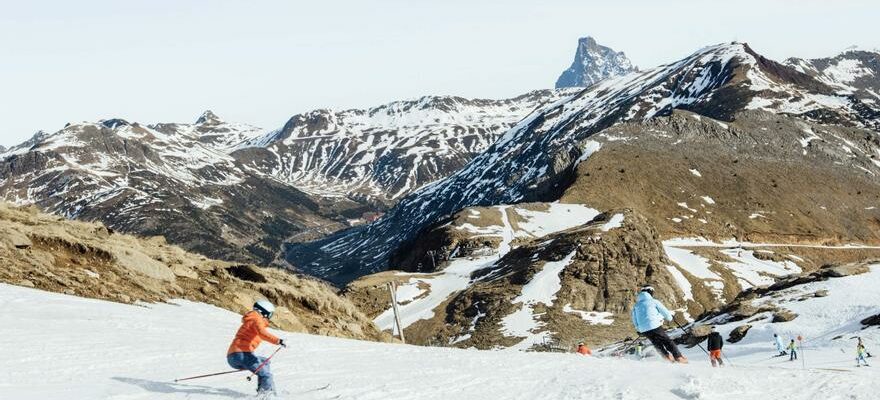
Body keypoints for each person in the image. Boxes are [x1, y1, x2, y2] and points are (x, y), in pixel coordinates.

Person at [227, 300, 287, 394]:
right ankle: (267, 395)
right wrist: (278, 341)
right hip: (242, 354)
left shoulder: (252, 319)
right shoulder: (256, 319)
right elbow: (262, 333)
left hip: (234, 356)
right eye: (270, 315)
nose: (270, 318)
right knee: (266, 374)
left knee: (265, 362)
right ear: (264, 312)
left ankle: (265, 390)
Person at [631, 285, 687, 363]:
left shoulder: (636, 305)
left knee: (656, 343)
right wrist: (670, 318)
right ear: (650, 292)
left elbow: (634, 319)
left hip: (643, 329)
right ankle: (679, 358)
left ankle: (667, 357)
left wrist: (638, 329)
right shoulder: (654, 301)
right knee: (667, 341)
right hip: (654, 325)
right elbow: (666, 313)